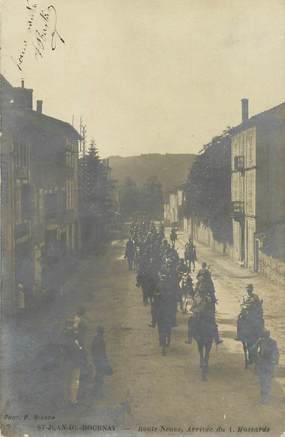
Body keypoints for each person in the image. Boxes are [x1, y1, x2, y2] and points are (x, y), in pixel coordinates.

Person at [253, 330, 279, 404]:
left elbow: (254, 349)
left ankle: (264, 398)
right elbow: (276, 352)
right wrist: (275, 361)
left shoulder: (261, 341)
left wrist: (256, 359)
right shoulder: (273, 342)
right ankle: (265, 397)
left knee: (263, 380)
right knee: (266, 380)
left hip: (264, 363)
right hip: (268, 363)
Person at [91, 326, 113, 399]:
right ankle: (98, 394)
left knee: (98, 376)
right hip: (100, 361)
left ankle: (95, 392)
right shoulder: (101, 340)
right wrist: (106, 362)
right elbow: (102, 353)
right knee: (100, 378)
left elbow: (92, 350)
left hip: (96, 360)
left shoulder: (94, 339)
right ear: (102, 333)